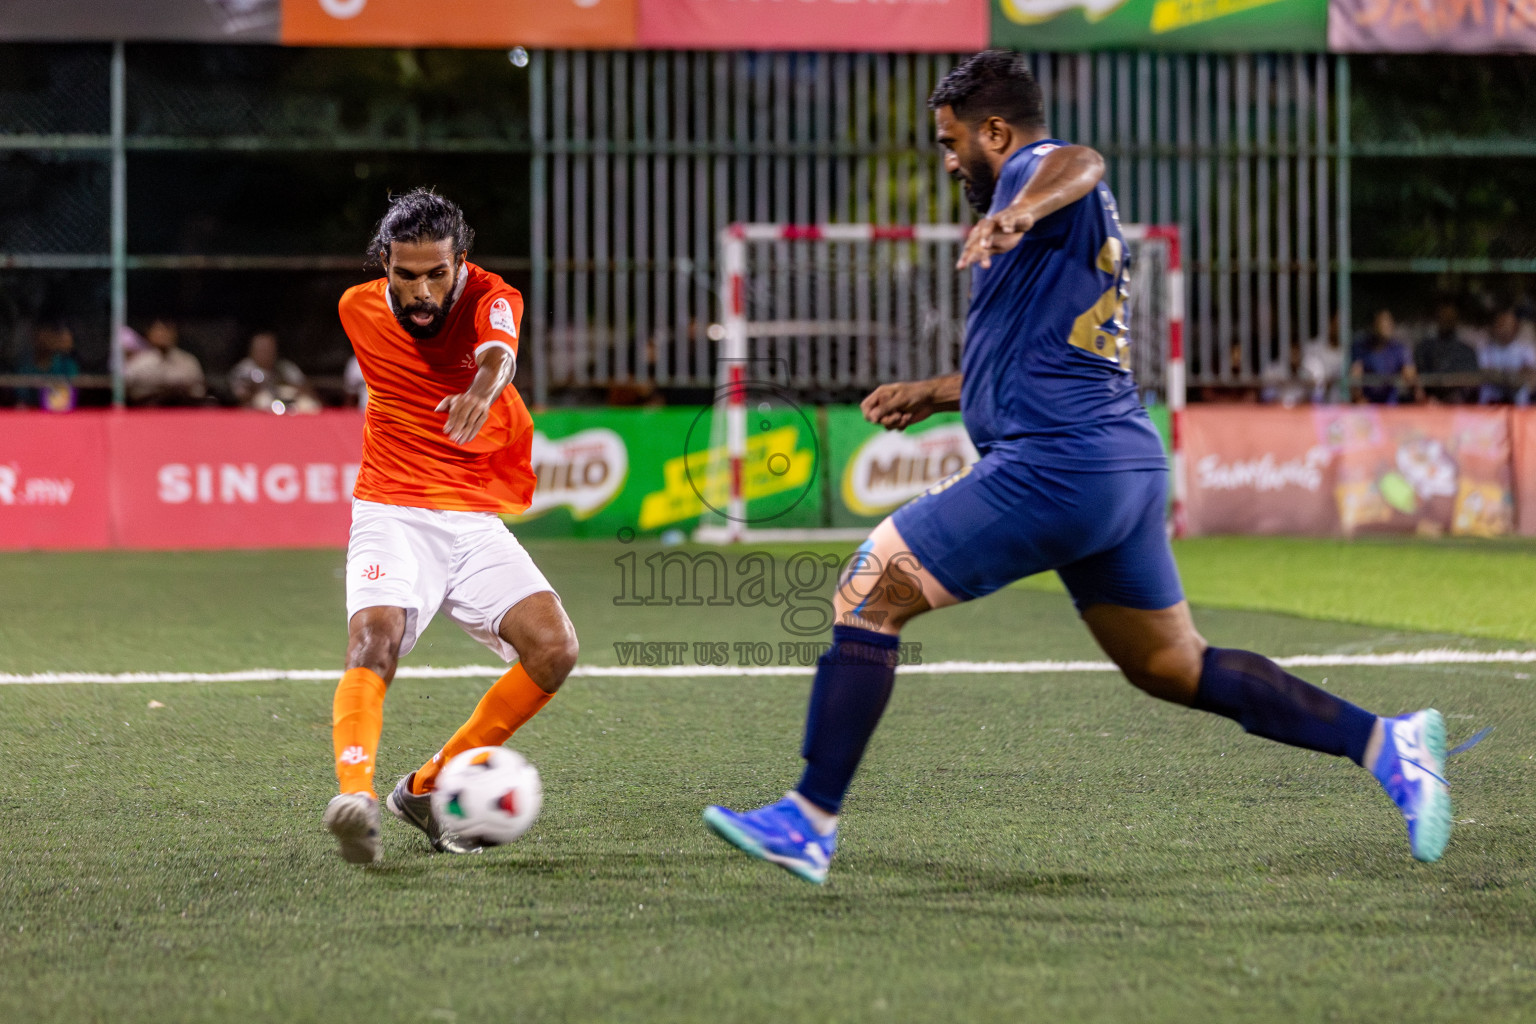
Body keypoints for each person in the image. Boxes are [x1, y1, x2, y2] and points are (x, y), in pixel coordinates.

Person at [701, 51, 1452, 885]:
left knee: (868, 592)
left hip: (1056, 464)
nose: (949, 161)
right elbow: (1043, 353)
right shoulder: (1049, 220)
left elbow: (1080, 161)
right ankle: (1389, 743)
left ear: (996, 131)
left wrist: (1019, 207)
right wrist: (943, 391)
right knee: (1172, 665)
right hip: (1118, 465)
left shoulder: (1040, 176)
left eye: (952, 144)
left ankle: (808, 819)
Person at [323, 188, 580, 865]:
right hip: (392, 507)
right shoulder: (357, 309)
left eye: (438, 272)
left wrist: (482, 389)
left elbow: (499, 350)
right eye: (407, 275)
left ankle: (428, 789)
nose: (423, 290)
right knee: (374, 642)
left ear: (461, 263)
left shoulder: (493, 296)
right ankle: (357, 798)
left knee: (554, 649)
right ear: (385, 264)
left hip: (470, 519)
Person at [229, 331, 320, 413]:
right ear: (252, 351)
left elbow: (306, 388)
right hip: (259, 411)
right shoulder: (243, 370)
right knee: (261, 400)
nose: (266, 352)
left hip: (288, 406)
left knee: (308, 404)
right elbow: (240, 398)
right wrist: (255, 389)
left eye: (269, 348)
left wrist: (286, 384)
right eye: (262, 349)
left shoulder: (285, 367)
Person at [123, 318, 206, 406]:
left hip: (182, 411)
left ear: (175, 334)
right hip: (145, 411)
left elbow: (199, 390)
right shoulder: (138, 362)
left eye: (167, 330)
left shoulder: (188, 361)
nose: (163, 334)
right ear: (149, 333)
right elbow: (125, 388)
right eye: (159, 330)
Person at [1414, 302, 1480, 404]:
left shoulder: (1467, 351)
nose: (1447, 320)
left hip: (1459, 408)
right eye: (1443, 316)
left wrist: (1452, 402)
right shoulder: (1425, 348)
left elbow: (1472, 383)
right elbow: (1418, 377)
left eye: (1450, 317)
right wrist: (1427, 399)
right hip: (1429, 407)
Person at [1350, 309, 1419, 404]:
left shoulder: (1398, 348)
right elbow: (1355, 377)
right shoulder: (1361, 348)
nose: (1386, 326)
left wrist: (1410, 378)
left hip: (1391, 405)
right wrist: (1358, 397)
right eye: (1382, 323)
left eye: (1388, 323)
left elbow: (1410, 376)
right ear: (1374, 325)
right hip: (1367, 405)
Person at [14, 318, 81, 412]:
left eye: (52, 333)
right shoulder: (24, 369)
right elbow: (21, 403)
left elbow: (66, 402)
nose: (46, 337)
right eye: (43, 332)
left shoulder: (67, 366)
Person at [1477, 308, 1536, 405]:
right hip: (1490, 403)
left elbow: (1530, 373)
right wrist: (1512, 375)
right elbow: (1485, 373)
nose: (1504, 330)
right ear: (1494, 328)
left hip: (1519, 405)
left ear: (1516, 328)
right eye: (1500, 325)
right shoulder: (1485, 349)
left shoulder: (1526, 349)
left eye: (1507, 325)